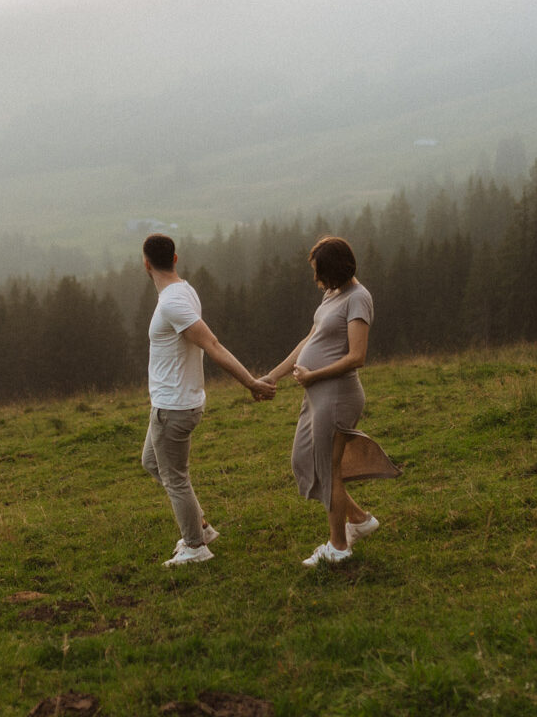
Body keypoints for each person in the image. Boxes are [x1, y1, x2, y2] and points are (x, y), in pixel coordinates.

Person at [260, 236, 400, 566]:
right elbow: (310, 340)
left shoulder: (359, 298)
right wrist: (274, 375)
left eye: (320, 271)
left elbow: (357, 356)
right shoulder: (331, 295)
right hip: (317, 396)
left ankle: (339, 547)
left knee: (329, 470)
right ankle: (361, 521)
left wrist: (314, 376)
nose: (317, 279)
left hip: (337, 396)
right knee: (304, 461)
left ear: (336, 269)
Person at [142, 233, 275, 567]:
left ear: (146, 264)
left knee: (175, 478)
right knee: (152, 463)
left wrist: (250, 383)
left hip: (174, 407)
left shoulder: (173, 302)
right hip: (171, 402)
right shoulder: (184, 290)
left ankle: (195, 545)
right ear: (175, 259)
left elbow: (212, 345)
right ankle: (200, 525)